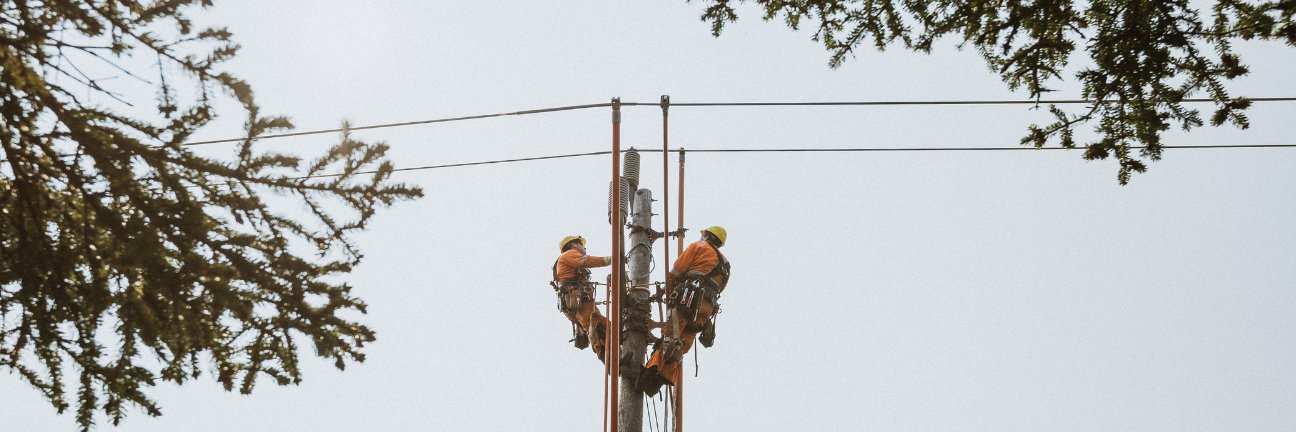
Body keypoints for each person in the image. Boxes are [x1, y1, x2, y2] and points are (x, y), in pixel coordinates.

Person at [638, 226, 731, 396]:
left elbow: (676, 272)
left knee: (671, 337)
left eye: (703, 234)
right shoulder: (726, 264)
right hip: (706, 309)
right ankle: (660, 380)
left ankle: (648, 374)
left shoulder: (698, 246)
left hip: (688, 300)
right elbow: (721, 288)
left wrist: (667, 292)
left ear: (707, 236)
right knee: (682, 342)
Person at [552, 235, 614, 361]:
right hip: (576, 299)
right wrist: (612, 259)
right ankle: (611, 362)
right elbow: (585, 261)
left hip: (576, 300)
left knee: (605, 326)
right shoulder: (569, 254)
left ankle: (619, 359)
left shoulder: (568, 259)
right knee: (596, 327)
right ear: (574, 245)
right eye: (582, 244)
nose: (584, 247)